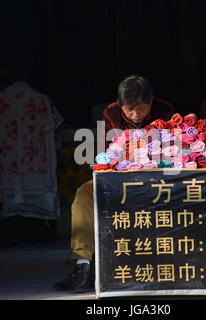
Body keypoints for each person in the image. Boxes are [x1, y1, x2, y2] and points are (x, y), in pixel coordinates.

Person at [53, 75, 176, 293]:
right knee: (84, 195)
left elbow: (173, 152)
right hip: (118, 178)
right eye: (130, 109)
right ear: (120, 106)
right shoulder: (110, 113)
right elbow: (107, 152)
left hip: (156, 181)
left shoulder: (166, 112)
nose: (136, 114)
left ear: (151, 101)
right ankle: (81, 266)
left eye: (142, 108)